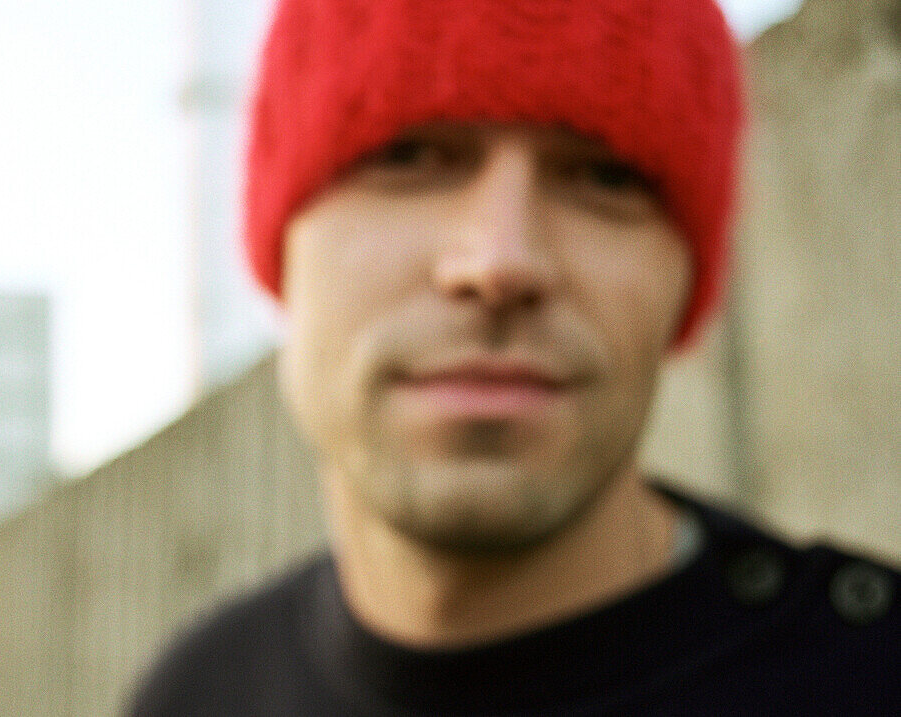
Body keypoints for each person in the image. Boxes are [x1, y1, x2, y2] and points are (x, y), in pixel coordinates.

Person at [131, 0, 900, 714]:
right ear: (279, 247)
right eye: (410, 156)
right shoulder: (198, 691)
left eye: (604, 176)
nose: (500, 261)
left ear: (687, 280)